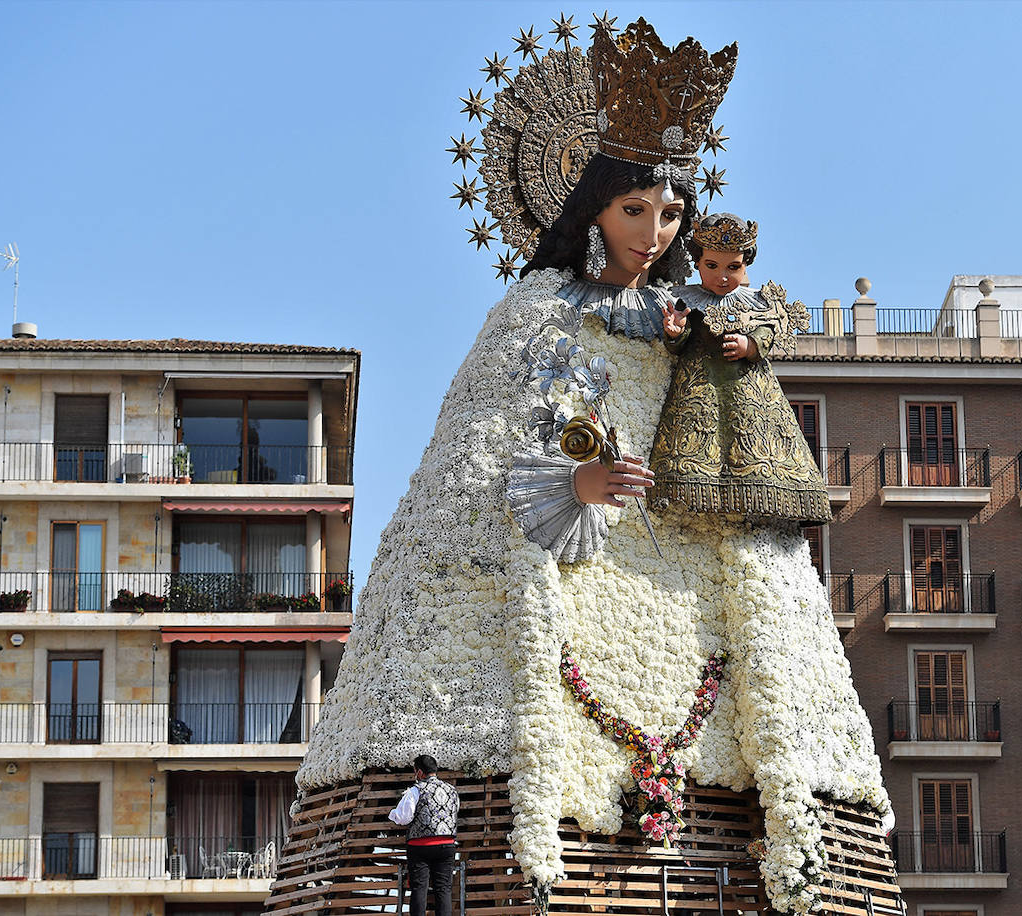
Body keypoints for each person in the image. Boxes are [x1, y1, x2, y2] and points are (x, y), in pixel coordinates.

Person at [297, 20, 890, 916]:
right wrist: (574, 487)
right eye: (634, 211)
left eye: (672, 213)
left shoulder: (686, 319)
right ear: (592, 208)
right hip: (560, 586)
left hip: (697, 590)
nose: (654, 234)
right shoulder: (536, 309)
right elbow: (484, 465)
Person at [649, 212, 832, 524]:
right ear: (697, 263)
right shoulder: (685, 300)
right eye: (712, 266)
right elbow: (680, 343)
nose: (722, 276)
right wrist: (676, 332)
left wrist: (751, 347)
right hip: (699, 387)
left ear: (746, 264)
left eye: (732, 267)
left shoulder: (757, 302)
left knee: (753, 447)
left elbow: (768, 334)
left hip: (749, 390)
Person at [388, 754, 460, 916]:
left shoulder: (415, 790)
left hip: (420, 846)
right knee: (444, 889)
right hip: (447, 844)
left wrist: (392, 813)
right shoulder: (451, 790)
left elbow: (403, 817)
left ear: (419, 772)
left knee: (419, 887)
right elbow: (454, 812)